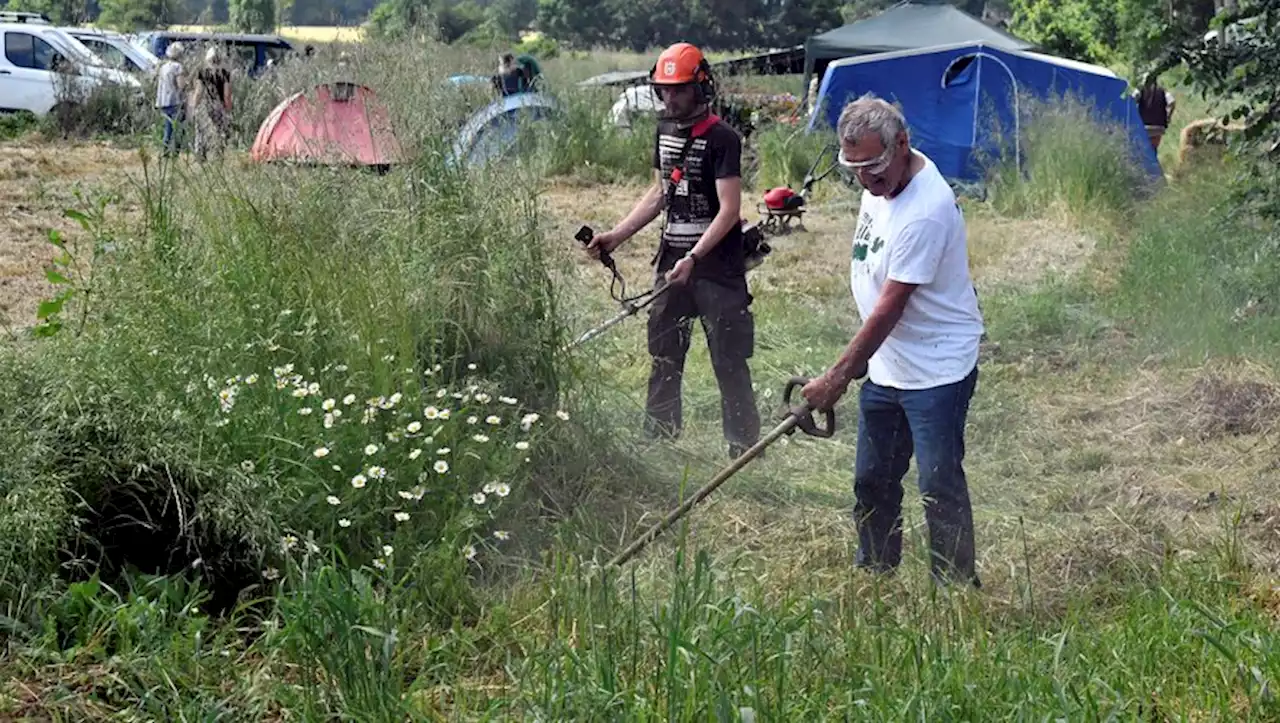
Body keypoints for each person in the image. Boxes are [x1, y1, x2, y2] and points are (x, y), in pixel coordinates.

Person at [801, 93, 985, 587]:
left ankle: (955, 590)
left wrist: (837, 377)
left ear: (902, 143)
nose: (865, 180)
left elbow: (890, 307)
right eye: (853, 169)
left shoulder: (927, 208)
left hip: (937, 367)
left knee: (937, 484)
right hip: (887, 364)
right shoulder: (880, 179)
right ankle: (875, 574)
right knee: (872, 480)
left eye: (873, 169)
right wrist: (859, 364)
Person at [584, 42, 761, 460]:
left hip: (716, 267)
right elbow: (660, 192)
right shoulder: (663, 131)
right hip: (671, 260)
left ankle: (744, 447)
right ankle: (660, 438)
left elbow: (730, 210)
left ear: (701, 87)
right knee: (664, 352)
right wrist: (616, 236)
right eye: (664, 90)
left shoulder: (723, 139)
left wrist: (695, 258)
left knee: (729, 358)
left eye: (678, 89)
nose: (669, 98)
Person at [189, 45, 233, 161]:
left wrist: (194, 106)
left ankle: (200, 156)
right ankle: (218, 155)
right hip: (219, 106)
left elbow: (198, 92)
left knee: (201, 131)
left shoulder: (202, 72)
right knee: (219, 131)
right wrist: (228, 109)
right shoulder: (225, 74)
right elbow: (226, 94)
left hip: (205, 105)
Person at [154, 42, 185, 157]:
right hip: (174, 100)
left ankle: (165, 150)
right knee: (179, 128)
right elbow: (181, 85)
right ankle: (175, 152)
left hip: (163, 101)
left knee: (168, 127)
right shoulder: (178, 67)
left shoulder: (163, 67)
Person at [1135, 71, 1176, 151]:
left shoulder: (1140, 90)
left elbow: (1132, 99)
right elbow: (1172, 102)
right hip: (1158, 126)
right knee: (1153, 149)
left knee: (1141, 148)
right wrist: (1168, 116)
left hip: (1143, 124)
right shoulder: (1163, 91)